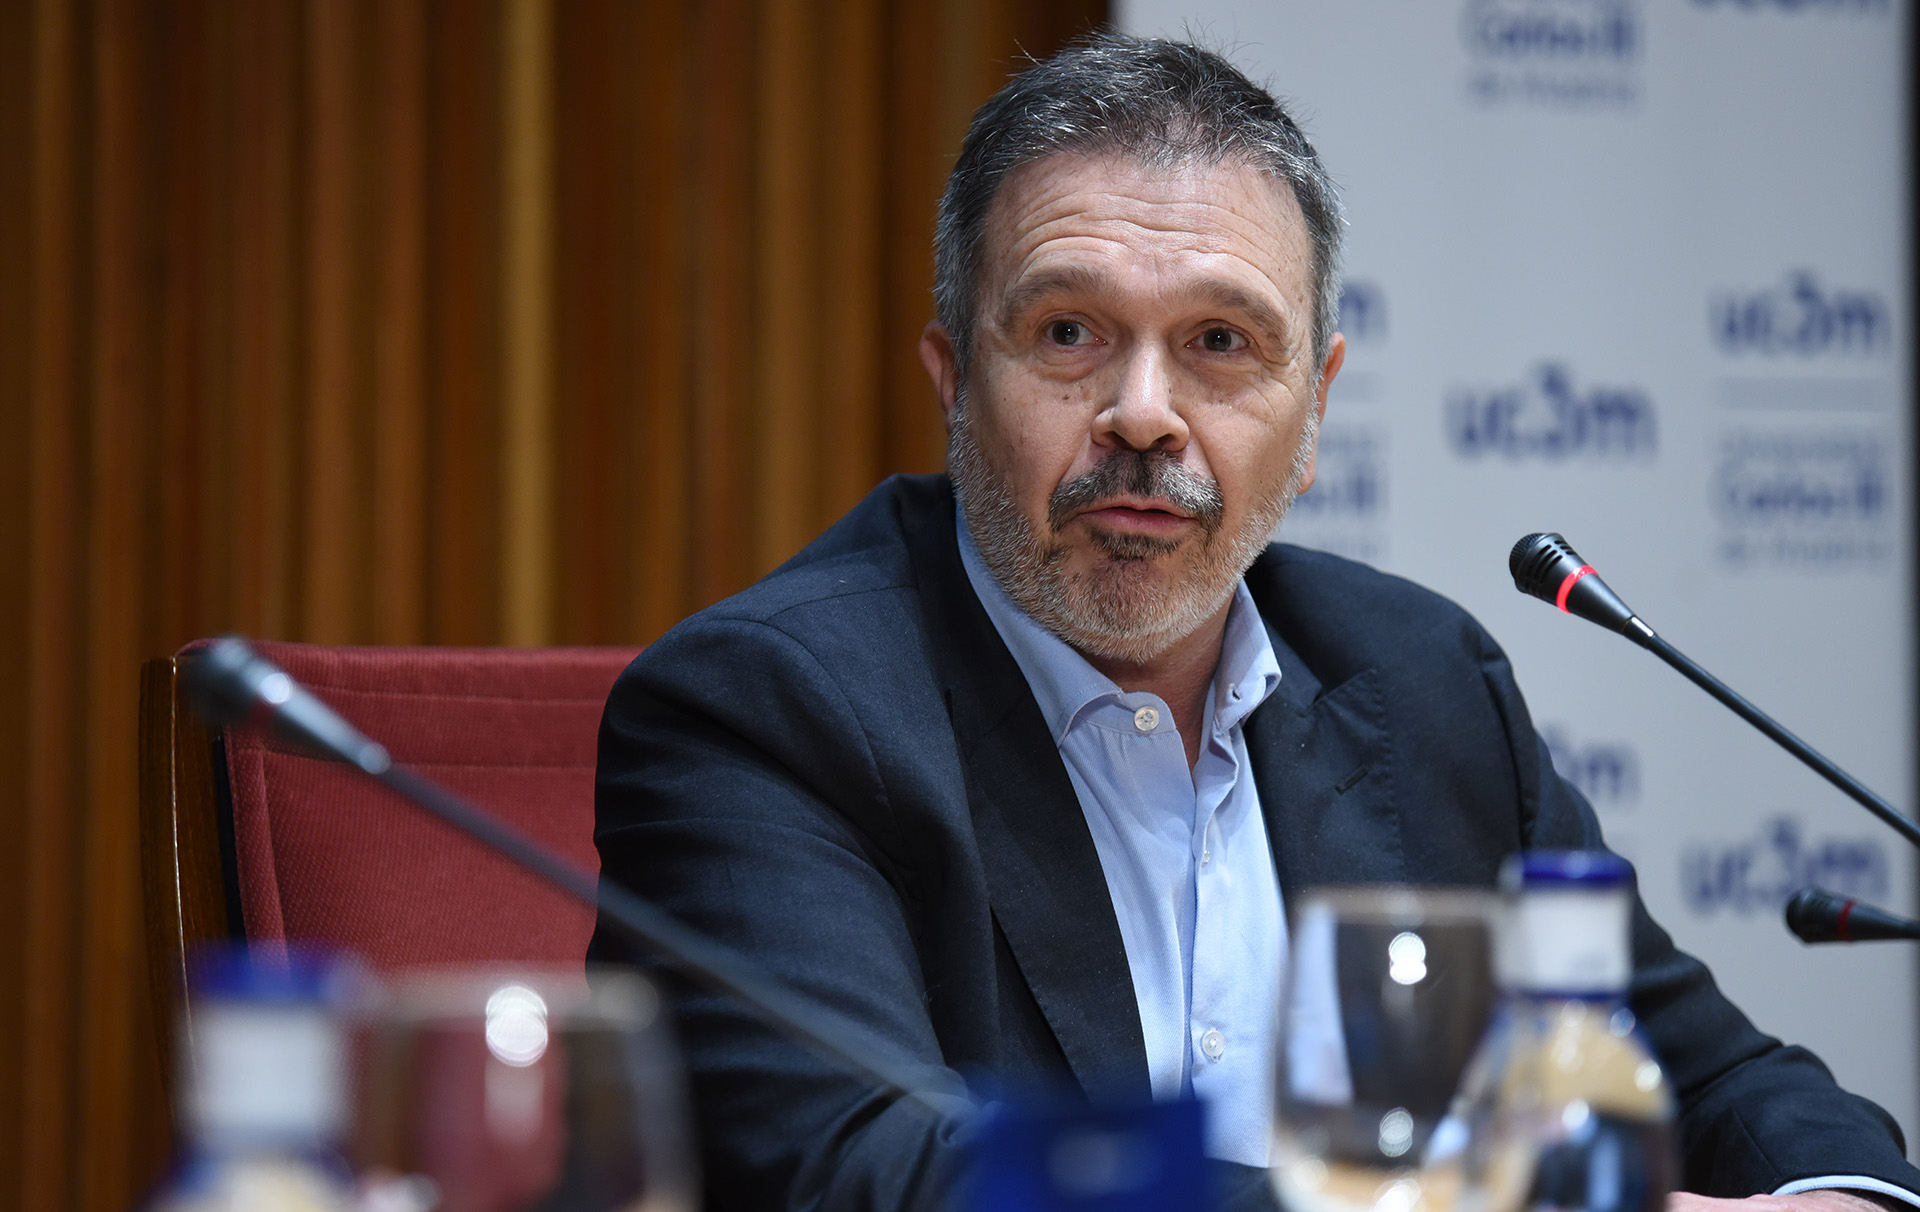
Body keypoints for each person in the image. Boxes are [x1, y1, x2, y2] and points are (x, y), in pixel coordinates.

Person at [590, 33, 1920, 1212]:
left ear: (1317, 407)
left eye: (1221, 342)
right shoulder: (765, 710)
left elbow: (1710, 1075)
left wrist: (1840, 1196)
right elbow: (867, 1169)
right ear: (954, 379)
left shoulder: (1422, 681)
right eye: (1069, 332)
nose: (1144, 413)